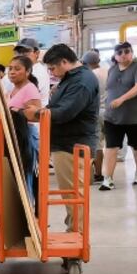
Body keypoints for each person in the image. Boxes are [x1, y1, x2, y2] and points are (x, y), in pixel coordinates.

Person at [23, 44, 99, 232]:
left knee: (74, 195)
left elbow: (65, 112)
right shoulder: (71, 79)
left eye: (53, 68)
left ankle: (77, 236)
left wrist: (38, 113)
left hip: (71, 145)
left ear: (65, 61)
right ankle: (74, 231)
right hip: (65, 143)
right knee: (71, 195)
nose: (52, 73)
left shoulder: (81, 81)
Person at [100, 42, 137, 190]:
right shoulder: (112, 69)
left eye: (127, 51)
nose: (123, 55)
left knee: (136, 145)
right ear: (115, 56)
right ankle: (108, 178)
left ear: (132, 52)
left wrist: (121, 99)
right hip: (112, 117)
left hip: (135, 117)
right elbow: (109, 90)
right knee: (111, 146)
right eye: (120, 52)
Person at [7, 55, 44, 164]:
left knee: (25, 174)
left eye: (17, 69)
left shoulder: (30, 88)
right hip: (15, 136)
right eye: (10, 68)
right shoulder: (14, 89)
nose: (12, 72)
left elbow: (36, 115)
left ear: (27, 71)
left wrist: (15, 111)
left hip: (26, 137)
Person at [83, 50, 108, 181]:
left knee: (97, 144)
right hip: (111, 111)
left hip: (97, 112)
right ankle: (107, 173)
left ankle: (97, 174)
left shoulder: (90, 75)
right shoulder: (108, 71)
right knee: (109, 144)